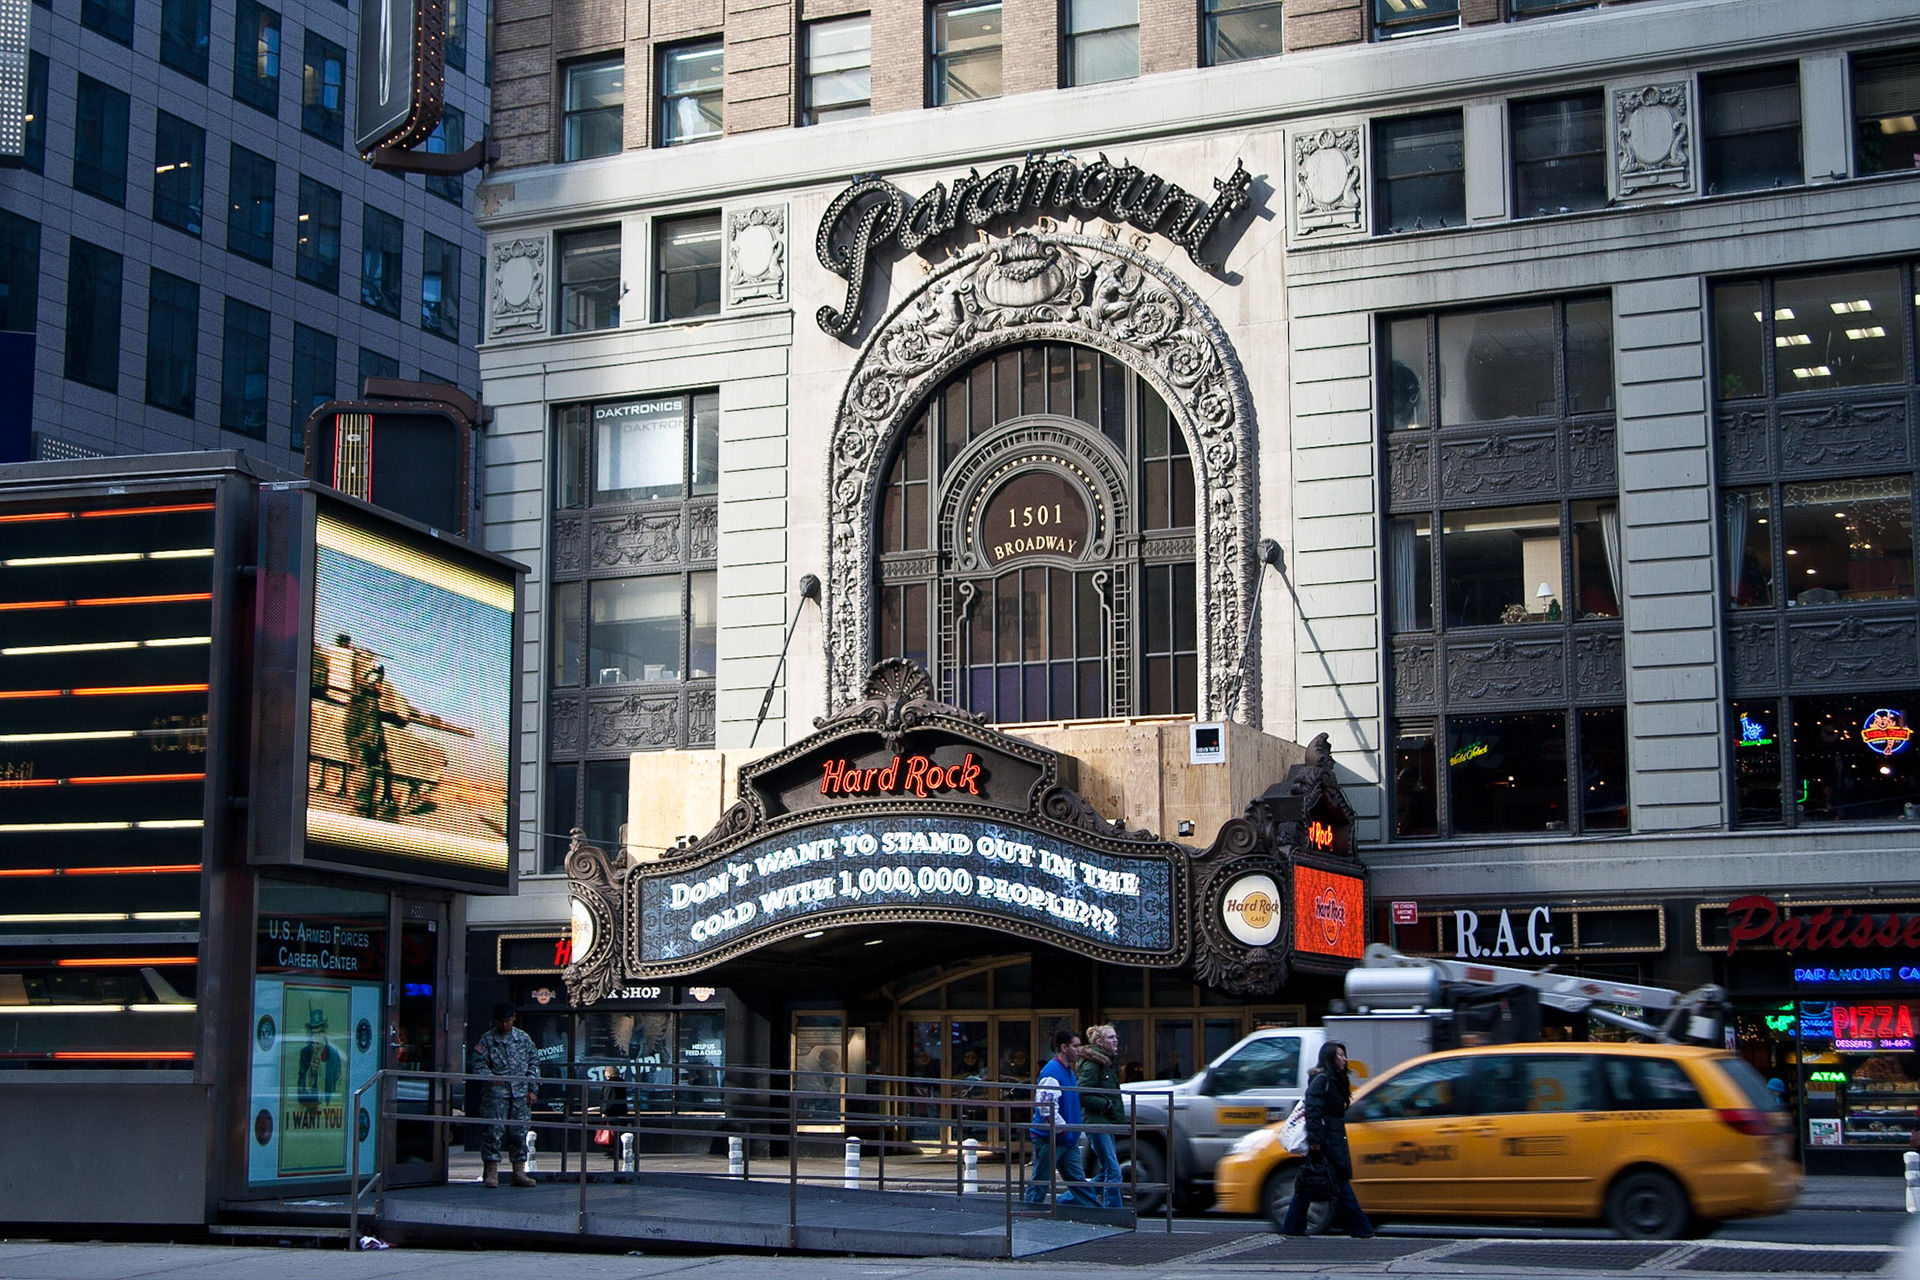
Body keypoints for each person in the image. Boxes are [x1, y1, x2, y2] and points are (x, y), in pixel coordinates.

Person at [1279, 1040, 1374, 1239]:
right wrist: (1316, 1141)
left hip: (1331, 1140)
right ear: (1329, 1057)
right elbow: (1313, 1110)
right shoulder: (1322, 1079)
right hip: (1326, 1142)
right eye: (1340, 1055)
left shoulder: (1334, 1079)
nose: (1344, 1059)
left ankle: (1292, 1227)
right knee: (1336, 1182)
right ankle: (1361, 1228)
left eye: (1344, 1055)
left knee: (1312, 1183)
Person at [1023, 1030, 1098, 1207]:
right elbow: (1045, 1106)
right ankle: (1028, 1215)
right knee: (1043, 1180)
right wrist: (1062, 1128)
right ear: (1064, 1048)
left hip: (1062, 1137)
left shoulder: (1067, 1072)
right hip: (1052, 1138)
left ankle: (1095, 1213)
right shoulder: (1053, 1072)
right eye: (1076, 1046)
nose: (1080, 1050)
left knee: (1075, 1181)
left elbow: (1047, 1106)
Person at [472, 1001, 539, 1188]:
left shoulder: (523, 1039)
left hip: (520, 1094)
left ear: (514, 1019)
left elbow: (534, 1064)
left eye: (508, 1021)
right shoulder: (487, 1040)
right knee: (493, 1132)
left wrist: (533, 1089)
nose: (505, 1025)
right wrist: (490, 1078)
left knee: (519, 1133)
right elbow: (478, 1064)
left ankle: (519, 1172)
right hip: (496, 1094)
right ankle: (491, 1172)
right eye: (501, 1021)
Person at [1076, 1023, 1124, 1208]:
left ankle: (1069, 1201)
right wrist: (1105, 1106)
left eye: (1115, 1037)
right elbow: (1081, 1092)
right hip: (1097, 1123)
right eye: (1111, 1037)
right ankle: (1113, 1211)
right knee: (1113, 1171)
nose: (1115, 1040)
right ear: (1099, 1041)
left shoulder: (1107, 1063)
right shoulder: (1093, 1064)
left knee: (1106, 1171)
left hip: (1105, 1122)